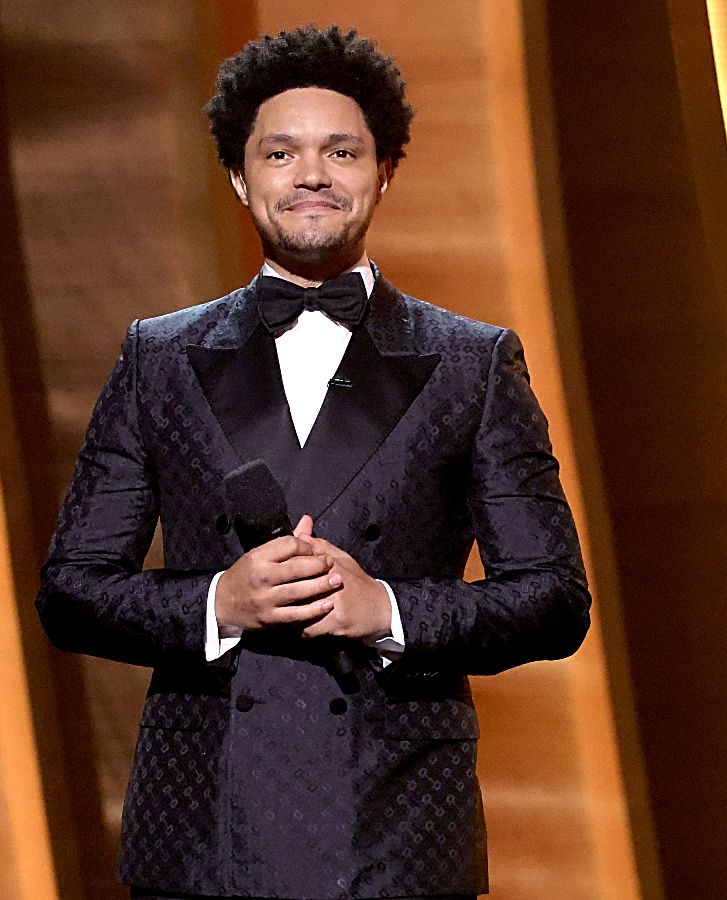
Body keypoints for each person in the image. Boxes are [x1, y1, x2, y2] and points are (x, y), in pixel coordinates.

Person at [36, 25, 590, 900]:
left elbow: (555, 601)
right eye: (280, 153)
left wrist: (389, 610)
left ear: (384, 171)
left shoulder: (472, 361)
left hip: (397, 824)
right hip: (207, 826)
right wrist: (224, 600)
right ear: (238, 177)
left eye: (341, 151)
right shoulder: (160, 356)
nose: (311, 176)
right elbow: (71, 591)